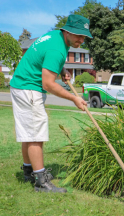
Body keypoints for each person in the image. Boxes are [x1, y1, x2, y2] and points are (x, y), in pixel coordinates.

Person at [10, 14, 92, 193]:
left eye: (84, 36)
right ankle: (40, 181)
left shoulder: (54, 36)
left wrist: (62, 69)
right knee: (36, 135)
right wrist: (74, 98)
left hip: (21, 85)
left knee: (28, 132)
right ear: (68, 31)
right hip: (29, 88)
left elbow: (45, 57)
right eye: (78, 35)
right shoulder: (57, 49)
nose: (81, 40)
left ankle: (28, 170)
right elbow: (48, 84)